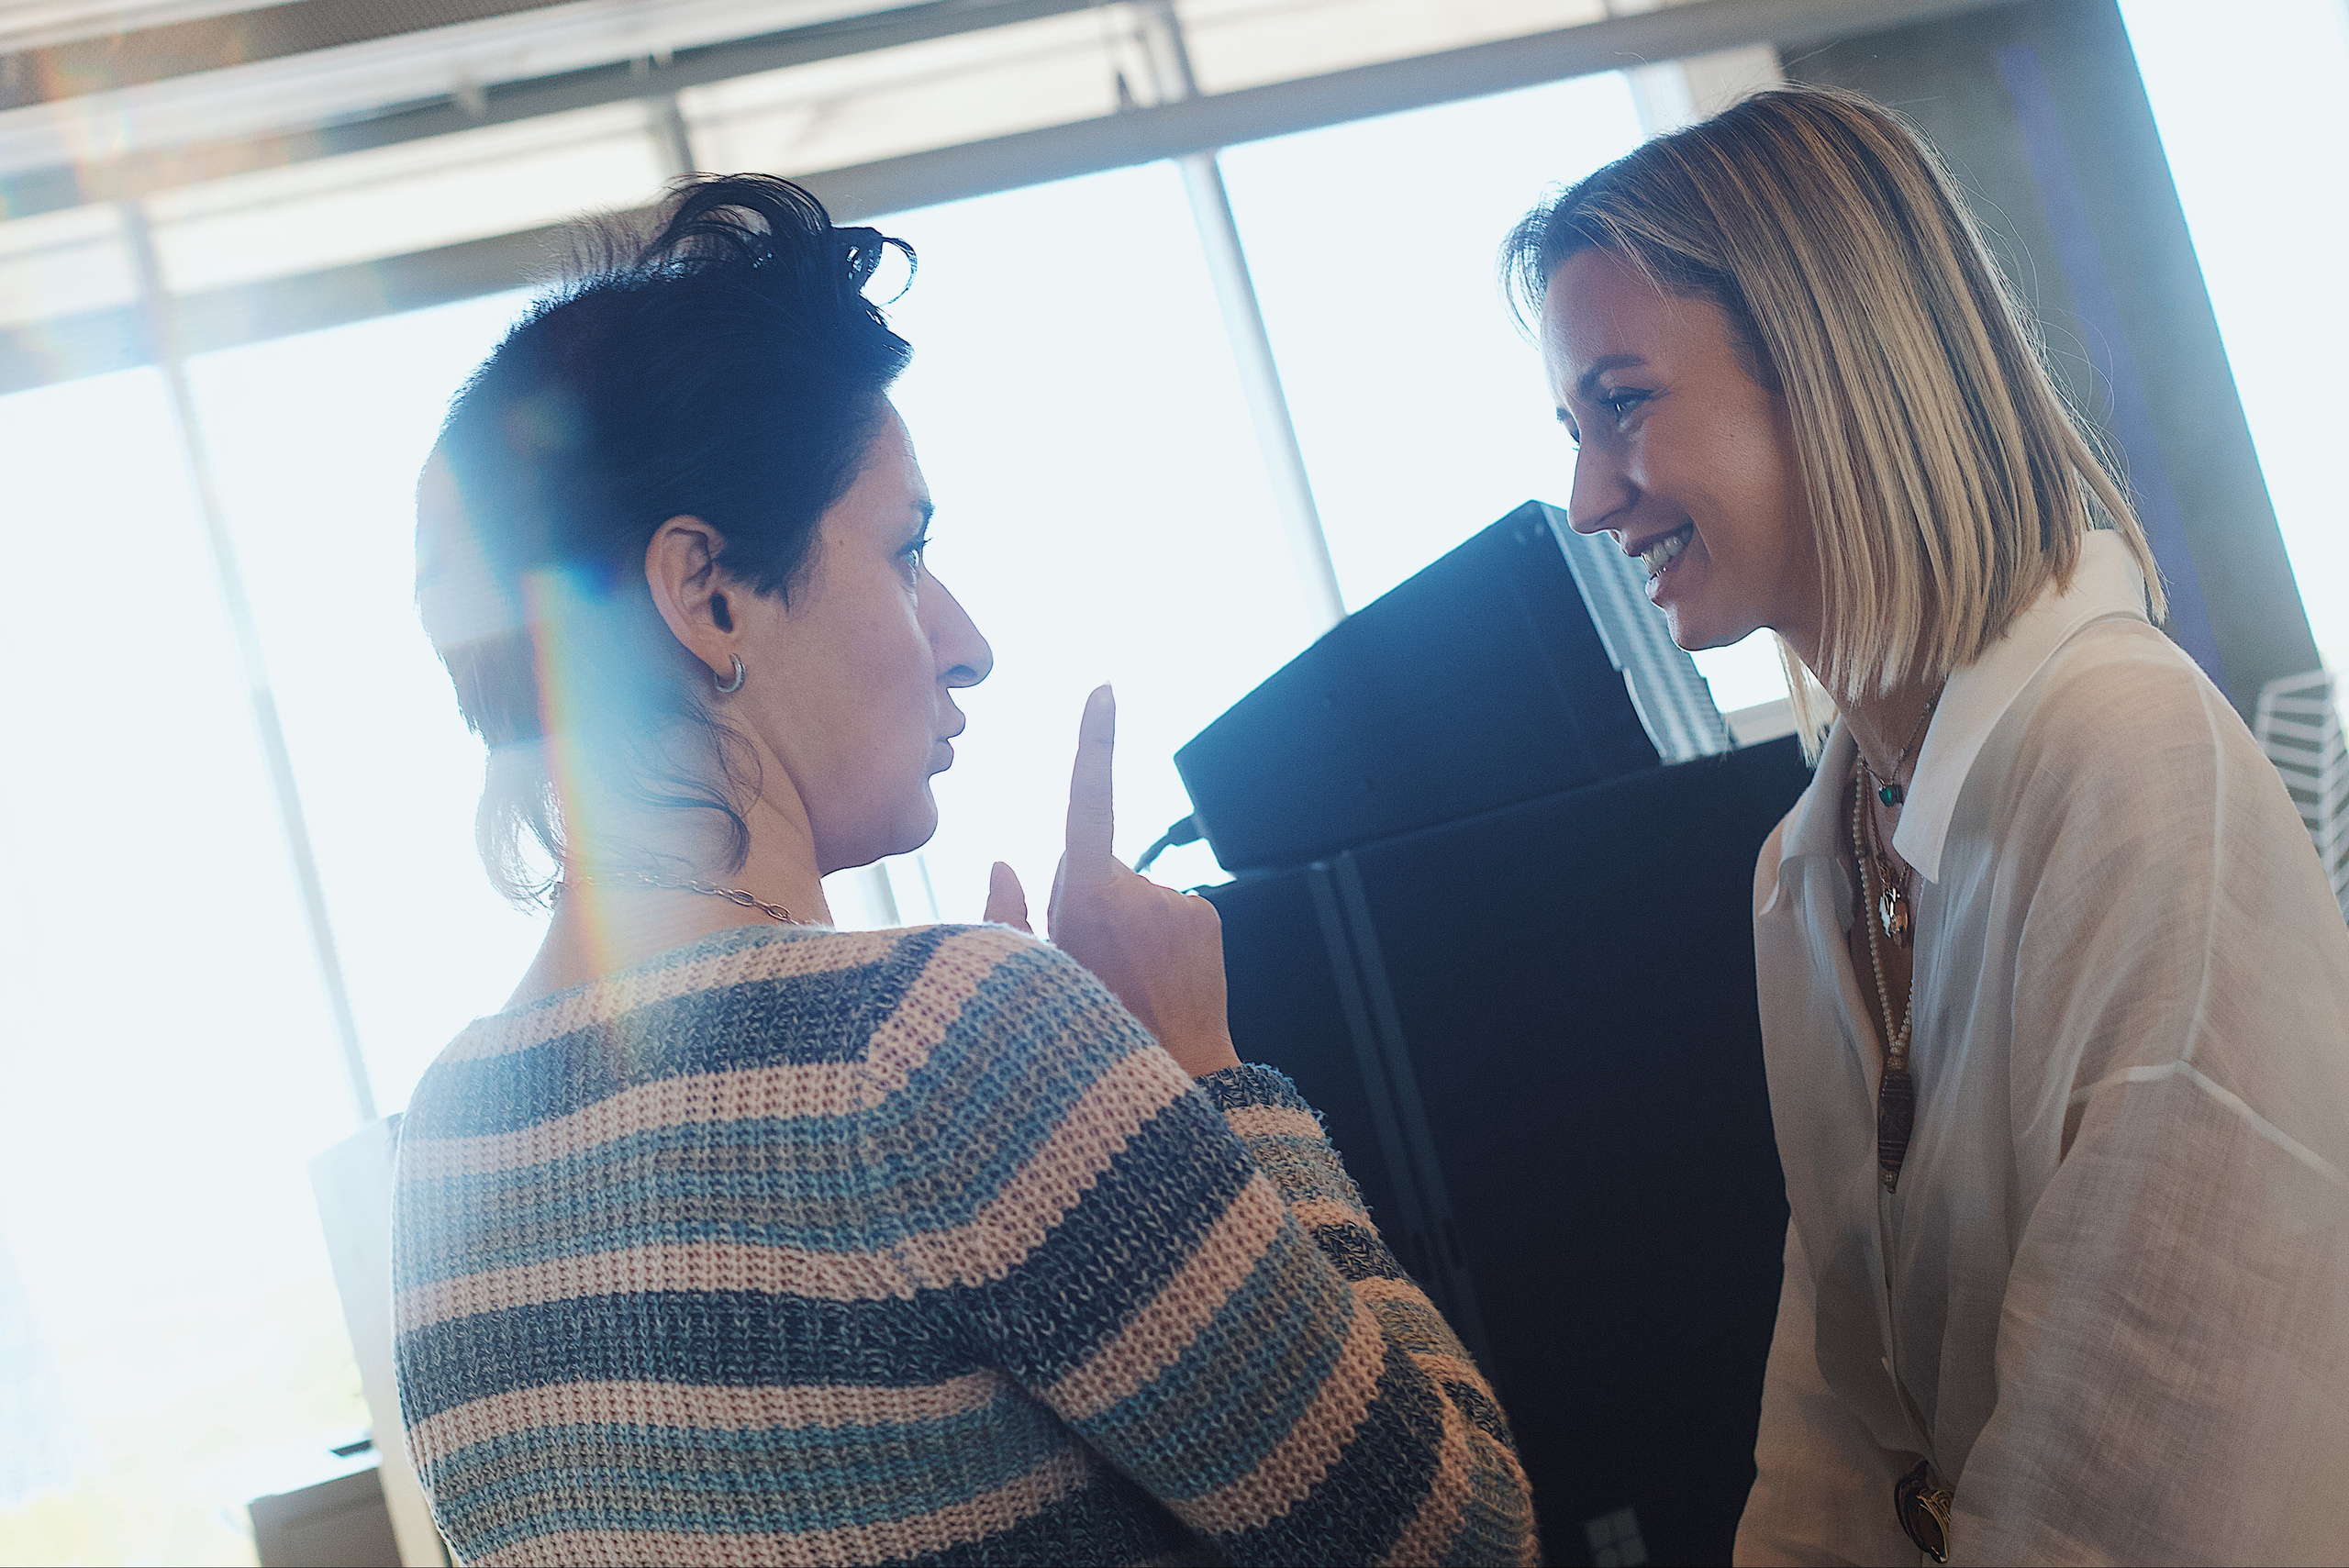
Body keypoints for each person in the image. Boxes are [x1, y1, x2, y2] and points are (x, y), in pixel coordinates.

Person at [390, 173, 1535, 1568]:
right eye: (908, 551)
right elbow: (1462, 1536)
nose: (967, 636)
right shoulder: (933, 1040)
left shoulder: (442, 1150)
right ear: (707, 593)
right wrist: (1199, 1072)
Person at [1508, 85, 2349, 1565]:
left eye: (1622, 403)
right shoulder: (1809, 866)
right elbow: (1836, 1415)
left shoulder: (2132, 768)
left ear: (1825, 362)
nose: (1585, 498)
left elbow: (2140, 1465)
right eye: (1572, 429)